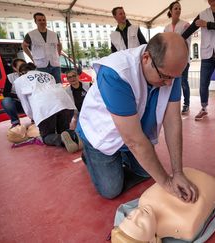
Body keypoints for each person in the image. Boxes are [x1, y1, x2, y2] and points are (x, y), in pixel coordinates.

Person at [77, 32, 198, 201]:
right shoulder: (116, 72)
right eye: (164, 76)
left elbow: (172, 122)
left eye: (174, 77)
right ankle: (90, 156)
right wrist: (166, 183)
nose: (169, 83)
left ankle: (121, 159)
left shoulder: (171, 71)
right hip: (102, 133)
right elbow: (133, 140)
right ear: (146, 58)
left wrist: (177, 172)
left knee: (146, 172)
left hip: (134, 131)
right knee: (111, 189)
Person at [111, 168, 215, 242]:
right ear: (152, 241)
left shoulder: (143, 201)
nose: (137, 212)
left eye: (129, 217)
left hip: (184, 172)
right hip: (213, 184)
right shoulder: (186, 226)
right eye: (140, 224)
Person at [182, 0, 215, 122]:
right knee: (203, 83)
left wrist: (207, 24)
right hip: (207, 53)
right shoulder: (202, 13)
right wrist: (177, 39)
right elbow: (190, 30)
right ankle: (204, 108)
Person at [14, 63, 81, 153]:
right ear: (35, 68)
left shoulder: (19, 80)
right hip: (65, 103)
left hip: (44, 107)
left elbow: (24, 102)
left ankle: (60, 139)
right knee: (64, 130)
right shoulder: (48, 75)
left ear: (21, 72)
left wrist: (33, 117)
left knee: (46, 136)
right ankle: (74, 135)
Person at [164, 1, 191, 115]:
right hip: (170, 62)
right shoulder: (166, 28)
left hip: (183, 60)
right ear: (170, 11)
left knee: (183, 82)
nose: (178, 10)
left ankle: (186, 104)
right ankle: (172, 105)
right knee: (171, 83)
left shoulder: (186, 25)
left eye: (179, 8)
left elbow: (187, 43)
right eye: (176, 8)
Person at [22, 12, 62, 83]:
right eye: (39, 20)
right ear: (35, 21)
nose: (42, 22)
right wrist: (32, 58)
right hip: (41, 65)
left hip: (55, 65)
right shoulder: (30, 34)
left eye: (44, 20)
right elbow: (24, 46)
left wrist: (58, 55)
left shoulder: (54, 34)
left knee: (58, 84)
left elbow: (59, 45)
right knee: (44, 86)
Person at [1, 58, 27, 127]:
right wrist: (19, 96)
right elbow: (5, 93)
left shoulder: (31, 74)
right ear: (14, 68)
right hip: (19, 104)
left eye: (24, 65)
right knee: (6, 101)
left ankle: (35, 119)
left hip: (31, 102)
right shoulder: (10, 77)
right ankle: (15, 122)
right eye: (20, 66)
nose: (22, 67)